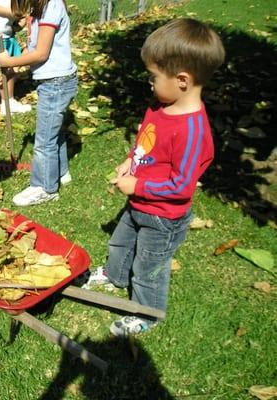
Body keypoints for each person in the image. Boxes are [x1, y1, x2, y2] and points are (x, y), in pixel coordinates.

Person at [83, 18, 225, 337]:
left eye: (153, 77)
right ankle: (115, 275)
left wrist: (139, 185)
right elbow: (145, 145)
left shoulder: (192, 132)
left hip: (163, 218)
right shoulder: (160, 107)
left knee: (149, 267)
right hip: (139, 203)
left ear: (183, 80)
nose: (150, 84)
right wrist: (128, 163)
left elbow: (181, 186)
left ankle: (147, 313)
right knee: (120, 242)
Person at [0, 0, 77, 206]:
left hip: (56, 82)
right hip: (55, 80)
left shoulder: (51, 6)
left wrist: (8, 62)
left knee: (44, 140)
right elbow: (33, 48)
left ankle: (44, 187)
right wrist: (14, 68)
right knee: (54, 132)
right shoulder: (40, 7)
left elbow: (41, 53)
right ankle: (61, 172)